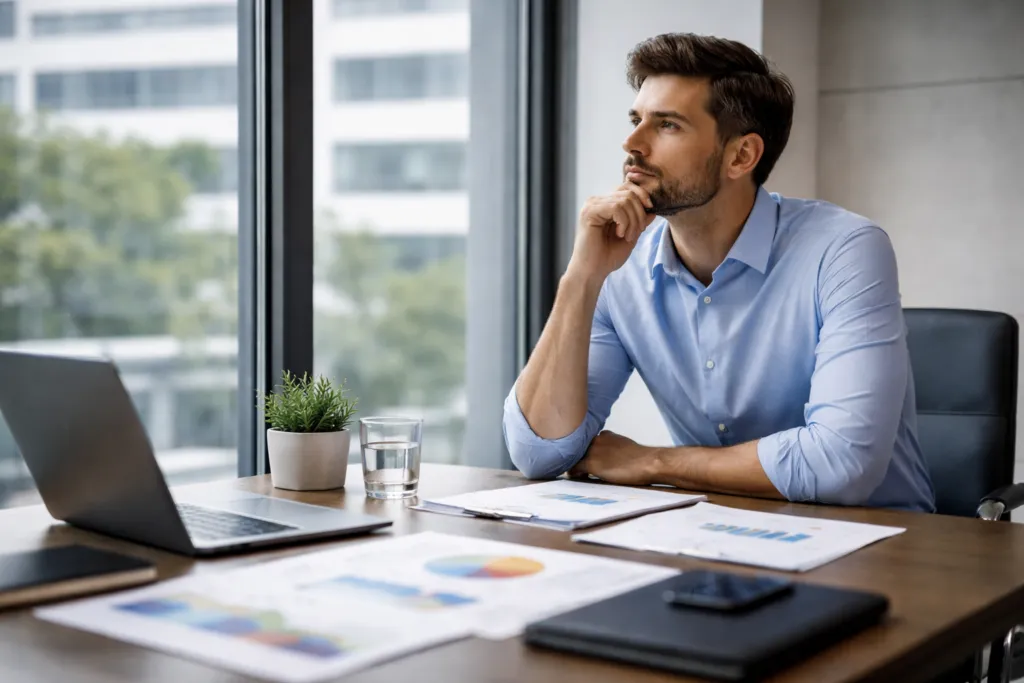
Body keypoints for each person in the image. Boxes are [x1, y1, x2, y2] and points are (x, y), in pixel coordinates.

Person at [502, 32, 935, 512]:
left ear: (741, 156)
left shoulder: (843, 250)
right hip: (717, 538)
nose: (631, 143)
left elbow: (842, 465)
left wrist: (654, 463)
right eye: (636, 119)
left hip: (885, 548)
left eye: (667, 125)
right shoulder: (619, 266)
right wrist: (581, 277)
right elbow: (538, 452)